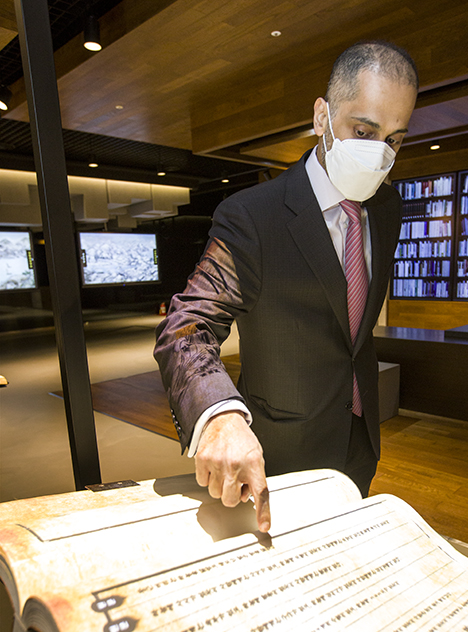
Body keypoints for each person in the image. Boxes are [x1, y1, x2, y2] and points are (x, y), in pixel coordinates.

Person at [154, 40, 418, 533]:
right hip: (282, 453)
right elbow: (186, 324)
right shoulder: (254, 216)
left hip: (359, 440)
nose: (379, 153)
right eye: (363, 131)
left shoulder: (387, 208)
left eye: (394, 140)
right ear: (322, 117)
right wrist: (218, 415)